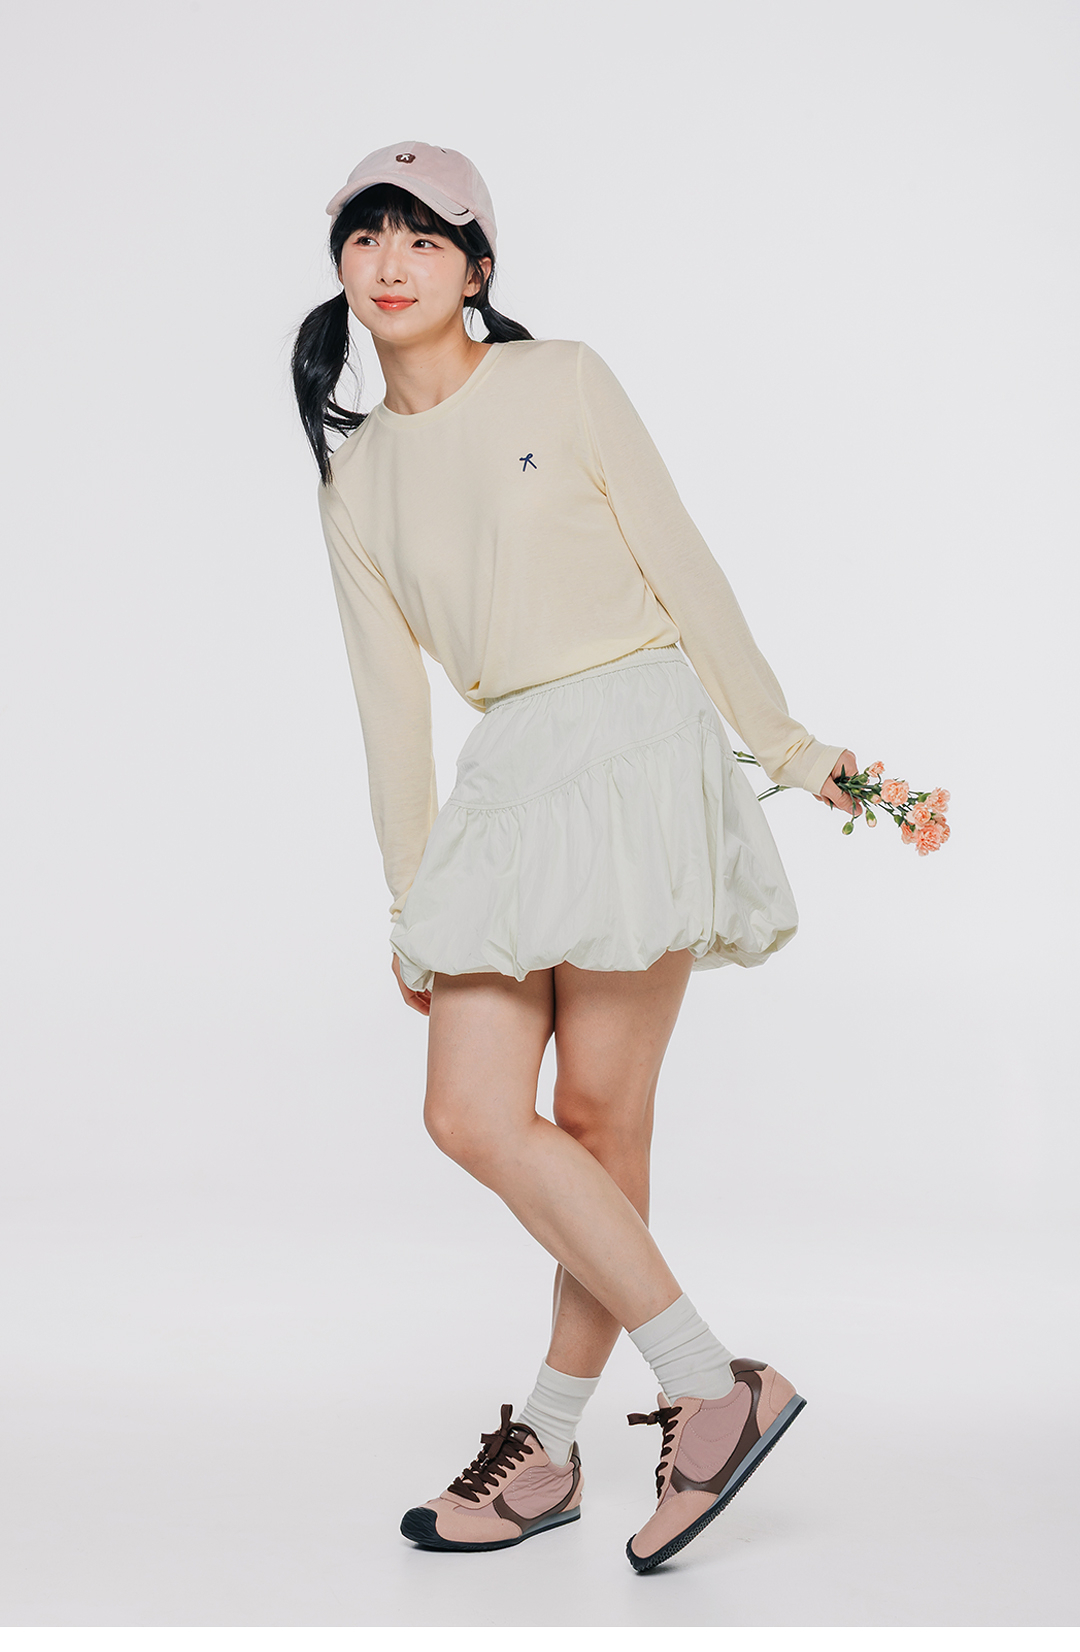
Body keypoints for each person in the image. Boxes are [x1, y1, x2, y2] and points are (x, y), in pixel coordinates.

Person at [292, 142, 860, 1573]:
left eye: (425, 238)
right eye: (367, 238)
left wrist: (787, 745)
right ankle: (713, 1382)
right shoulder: (356, 480)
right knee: (473, 1113)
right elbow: (387, 706)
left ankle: (550, 1447)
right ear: (343, 266)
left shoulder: (562, 381)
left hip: (634, 738)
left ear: (477, 267)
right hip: (511, 777)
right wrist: (414, 898)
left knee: (601, 1122)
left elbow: (682, 562)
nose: (391, 263)